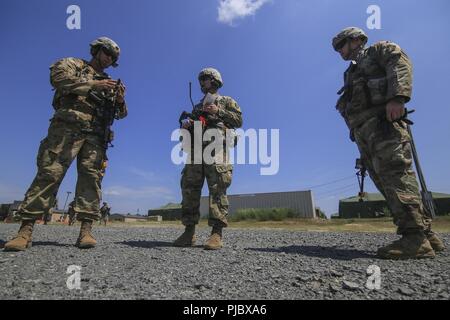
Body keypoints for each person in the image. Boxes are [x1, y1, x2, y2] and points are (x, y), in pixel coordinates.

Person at [4, 37, 127, 251]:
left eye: (113, 57)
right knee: (49, 174)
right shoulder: (73, 64)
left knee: (91, 179)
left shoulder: (109, 82)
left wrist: (119, 100)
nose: (109, 59)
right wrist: (93, 85)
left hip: (96, 136)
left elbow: (122, 114)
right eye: (107, 52)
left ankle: (86, 231)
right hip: (67, 129)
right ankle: (25, 231)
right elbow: (59, 79)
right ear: (97, 49)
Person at [332, 27, 445, 259]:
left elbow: (399, 62)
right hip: (365, 131)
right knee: (384, 181)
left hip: (384, 122)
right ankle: (426, 233)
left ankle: (414, 238)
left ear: (356, 40)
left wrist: (397, 97)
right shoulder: (350, 73)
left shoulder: (378, 50)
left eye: (341, 44)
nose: (339, 50)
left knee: (396, 175)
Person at [174, 68, 243, 250]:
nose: (201, 83)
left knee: (217, 188)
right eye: (201, 80)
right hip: (196, 150)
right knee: (189, 188)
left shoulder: (227, 101)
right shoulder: (197, 106)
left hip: (216, 148)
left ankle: (216, 233)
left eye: (204, 79)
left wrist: (219, 111)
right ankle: (189, 232)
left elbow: (238, 120)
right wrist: (187, 125)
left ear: (214, 80)